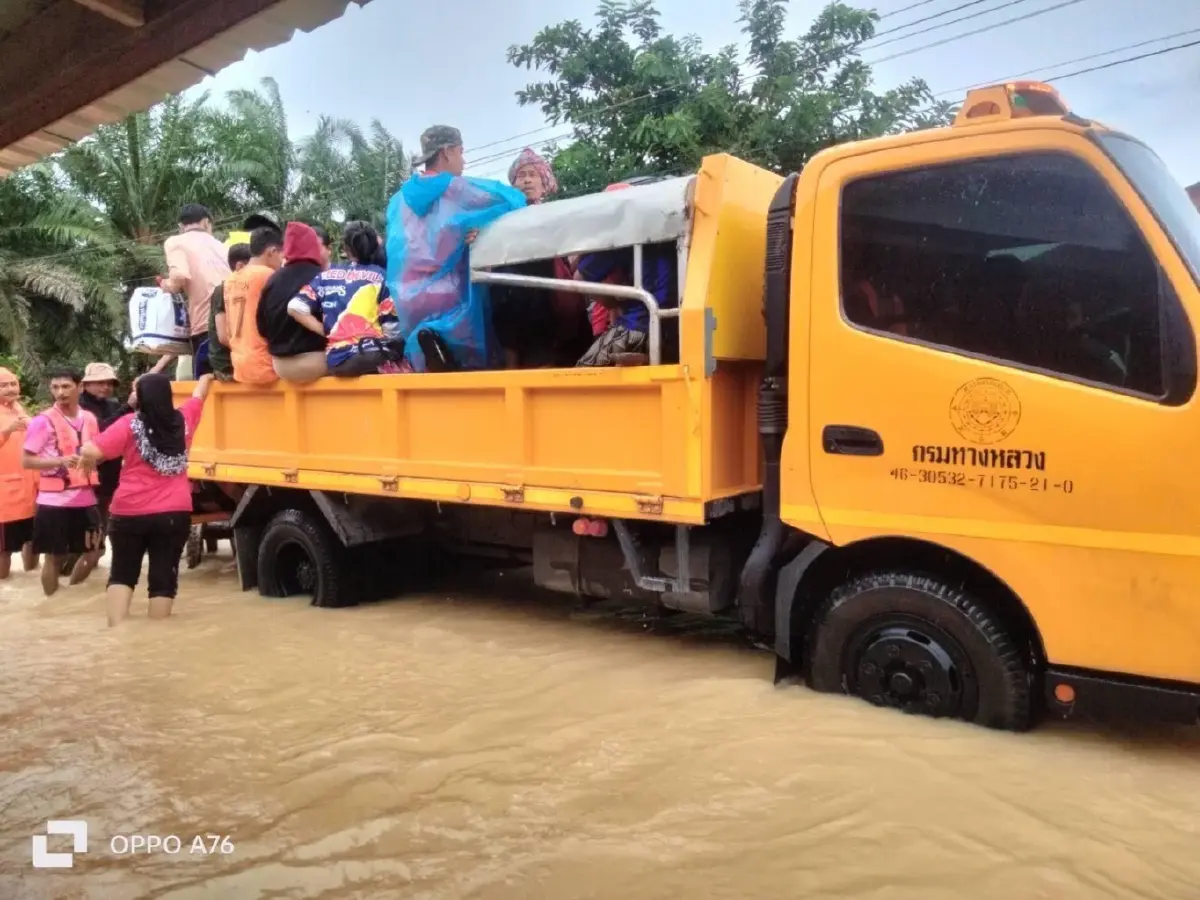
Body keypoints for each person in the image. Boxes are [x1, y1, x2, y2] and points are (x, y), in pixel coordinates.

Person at [385, 125, 526, 372]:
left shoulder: (398, 201)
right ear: (447, 152)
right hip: (453, 294)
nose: (464, 160)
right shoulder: (456, 189)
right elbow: (515, 200)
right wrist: (483, 227)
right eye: (461, 152)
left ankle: (435, 353)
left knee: (430, 364)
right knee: (471, 363)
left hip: (410, 298)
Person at [79, 373, 215, 627]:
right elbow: (199, 395)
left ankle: (118, 630)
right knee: (164, 576)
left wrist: (85, 460)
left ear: (139, 398)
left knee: (122, 573)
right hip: (174, 513)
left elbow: (92, 450)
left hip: (129, 512)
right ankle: (158, 632)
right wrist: (207, 377)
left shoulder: (129, 424)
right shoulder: (184, 420)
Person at [491, 148, 590, 369]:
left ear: (544, 183)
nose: (526, 180)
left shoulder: (556, 216)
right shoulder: (501, 216)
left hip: (549, 298)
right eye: (521, 175)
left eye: (532, 174)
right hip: (511, 296)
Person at [78, 358, 171, 558]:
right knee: (88, 531)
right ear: (85, 385)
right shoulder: (81, 408)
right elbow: (102, 432)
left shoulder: (111, 405)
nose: (106, 387)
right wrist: (127, 408)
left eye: (109, 383)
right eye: (100, 382)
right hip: (86, 477)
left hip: (110, 473)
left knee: (103, 525)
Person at [21, 368, 102, 597]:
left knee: (94, 552)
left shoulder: (90, 419)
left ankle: (70, 598)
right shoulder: (41, 421)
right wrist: (62, 460)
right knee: (54, 558)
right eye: (55, 387)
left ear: (80, 387)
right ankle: (52, 602)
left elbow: (98, 451)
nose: (60, 392)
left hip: (86, 498)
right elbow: (26, 461)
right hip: (53, 502)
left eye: (66, 386)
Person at [288, 221, 404, 376]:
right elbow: (391, 329)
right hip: (371, 356)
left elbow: (295, 307)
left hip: (337, 360)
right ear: (375, 245)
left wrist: (327, 331)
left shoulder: (326, 275)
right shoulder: (381, 276)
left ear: (346, 250)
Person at [160, 204, 232, 378]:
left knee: (208, 384)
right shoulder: (222, 246)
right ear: (206, 222)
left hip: (206, 325)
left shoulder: (175, 242)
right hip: (234, 322)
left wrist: (166, 285)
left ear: (181, 226)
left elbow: (179, 277)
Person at [256, 222, 332, 383]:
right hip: (317, 362)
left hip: (281, 366)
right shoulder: (323, 277)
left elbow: (262, 328)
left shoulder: (272, 280)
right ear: (313, 247)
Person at [226, 227, 285, 385]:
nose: (282, 262)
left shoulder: (230, 280)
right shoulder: (268, 275)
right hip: (265, 366)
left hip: (240, 367)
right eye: (282, 256)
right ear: (271, 251)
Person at [0, 368, 37, 578]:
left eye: (13, 384)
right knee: (3, 549)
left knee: (32, 541)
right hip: (4, 497)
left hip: (29, 490)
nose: (10, 389)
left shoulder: (18, 409)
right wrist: (6, 430)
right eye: (3, 385)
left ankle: (30, 584)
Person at [209, 242, 252, 381]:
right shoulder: (223, 289)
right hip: (227, 365)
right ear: (240, 266)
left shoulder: (249, 287)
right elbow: (223, 337)